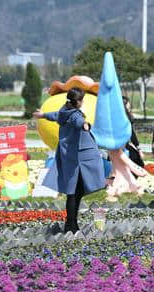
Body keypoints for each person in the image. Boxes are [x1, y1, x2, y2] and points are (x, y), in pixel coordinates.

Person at [33, 87, 106, 233]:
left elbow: (56, 115)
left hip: (69, 156)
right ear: (78, 102)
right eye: (82, 100)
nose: (83, 102)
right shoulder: (75, 114)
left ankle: (71, 224)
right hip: (79, 157)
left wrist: (43, 115)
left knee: (75, 192)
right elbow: (78, 121)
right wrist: (85, 125)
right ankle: (71, 225)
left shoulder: (64, 110)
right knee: (74, 192)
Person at [123, 96, 145, 170]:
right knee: (138, 162)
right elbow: (132, 134)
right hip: (123, 146)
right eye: (128, 104)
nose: (130, 106)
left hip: (123, 146)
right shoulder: (125, 119)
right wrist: (139, 149)